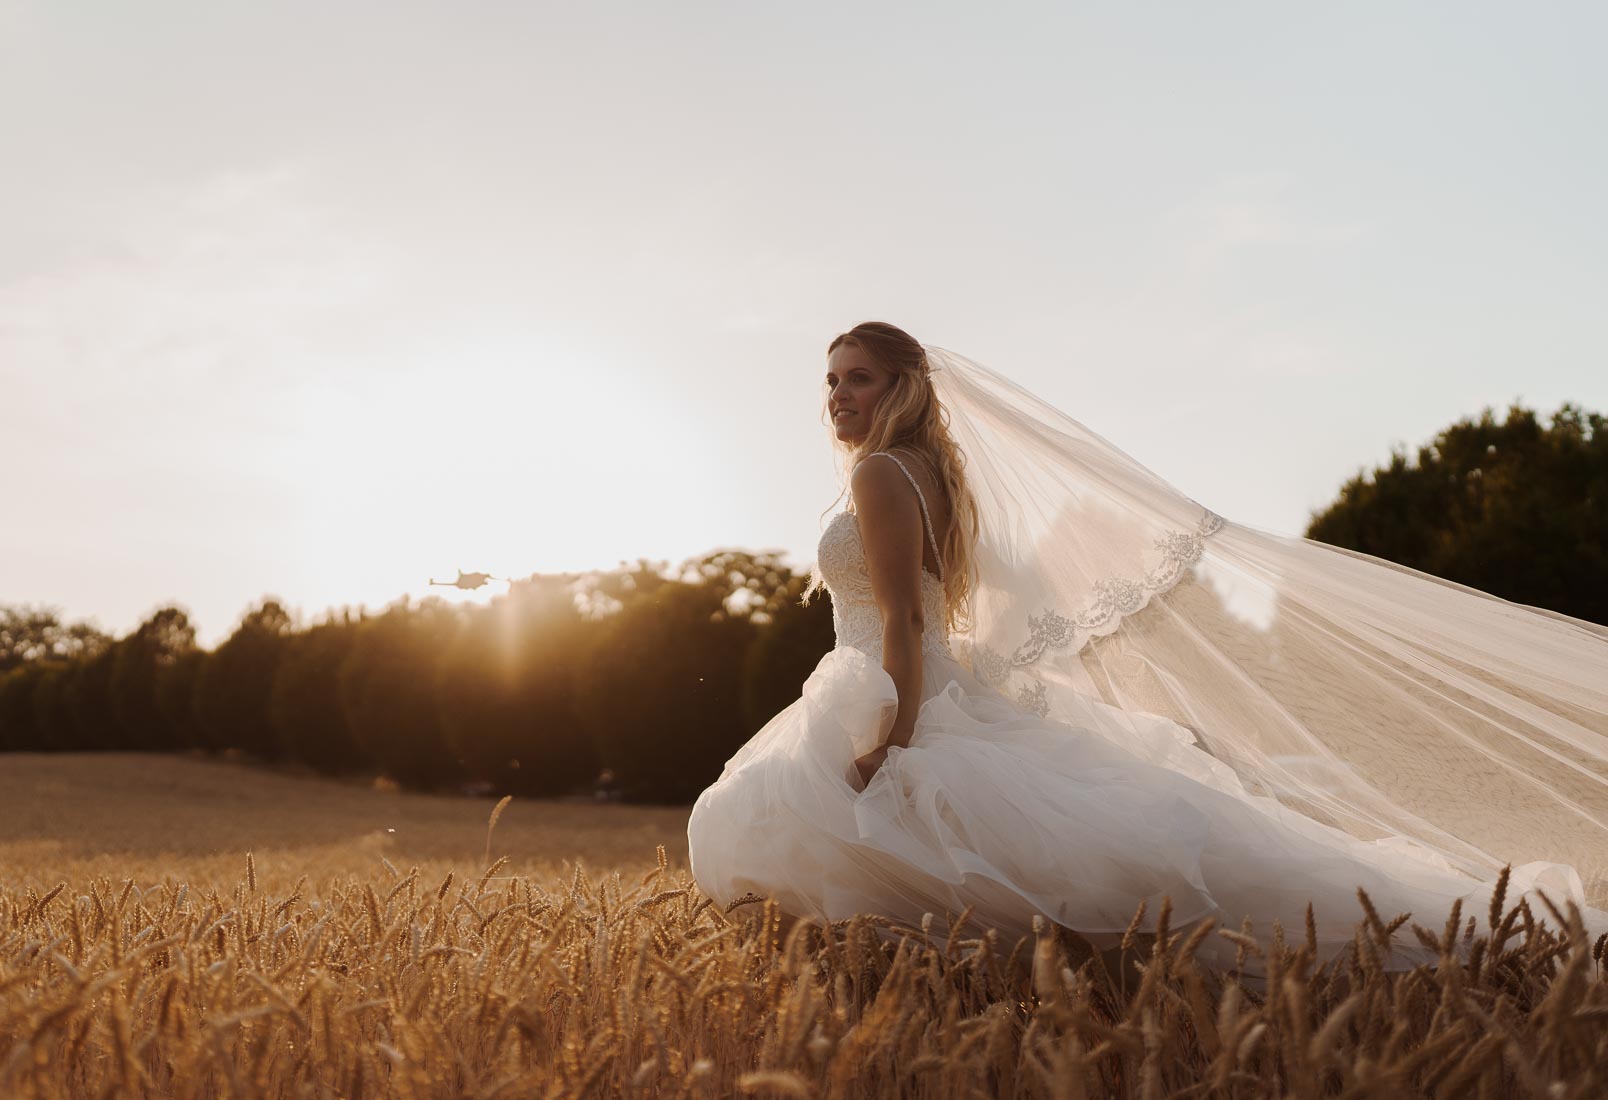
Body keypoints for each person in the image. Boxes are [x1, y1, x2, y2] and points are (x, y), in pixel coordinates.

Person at [686, 321, 1608, 978]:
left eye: (861, 379)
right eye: (832, 381)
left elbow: (906, 621)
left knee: (779, 837)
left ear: (905, 390)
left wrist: (892, 740)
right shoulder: (932, 475)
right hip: (914, 691)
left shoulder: (887, 475)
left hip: (894, 694)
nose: (840, 395)